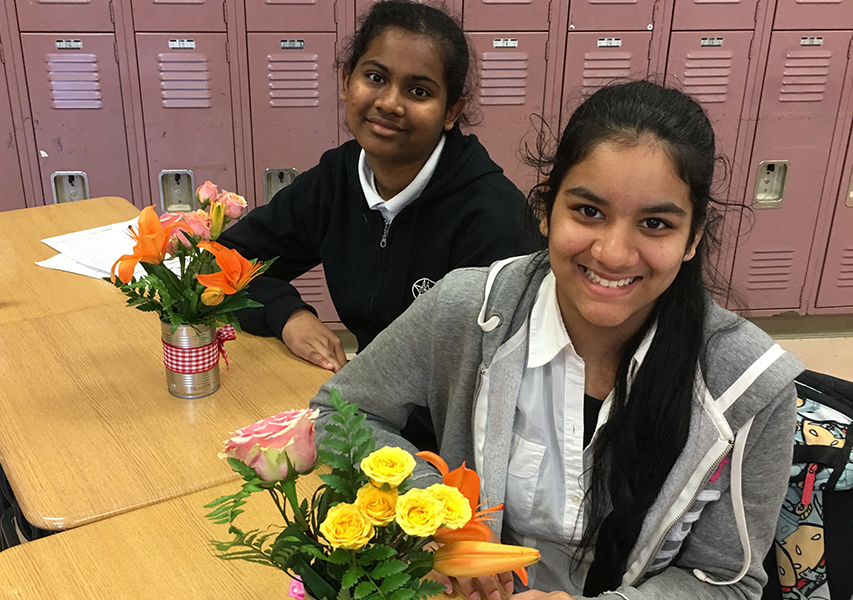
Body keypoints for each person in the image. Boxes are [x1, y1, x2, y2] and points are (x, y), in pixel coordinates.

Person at [311, 80, 805, 599]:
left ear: (693, 238)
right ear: (546, 209)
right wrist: (440, 519)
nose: (614, 253)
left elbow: (728, 583)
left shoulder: (746, 383)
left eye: (655, 223)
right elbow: (339, 413)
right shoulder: (469, 310)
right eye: (588, 212)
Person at [219, 0, 542, 374]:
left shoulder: (493, 218)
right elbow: (226, 261)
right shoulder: (336, 178)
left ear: (451, 111)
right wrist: (287, 314)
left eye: (419, 92)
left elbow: (498, 373)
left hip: (440, 424)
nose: (389, 103)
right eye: (375, 77)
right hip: (367, 395)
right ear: (346, 81)